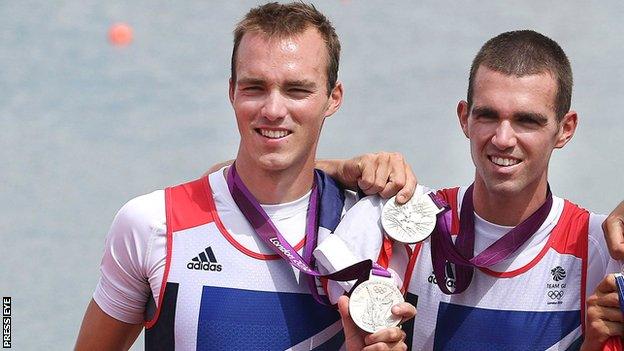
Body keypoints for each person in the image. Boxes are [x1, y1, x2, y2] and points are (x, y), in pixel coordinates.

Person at [75, 2, 416, 350]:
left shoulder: (382, 227)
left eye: (297, 90)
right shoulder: (152, 224)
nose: (273, 110)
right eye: (255, 88)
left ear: (333, 98)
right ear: (232, 91)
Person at [321, 30, 621, 350]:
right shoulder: (399, 221)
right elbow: (271, 194)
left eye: (526, 121)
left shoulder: (600, 247)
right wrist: (335, 168)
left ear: (565, 129)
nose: (503, 138)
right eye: (488, 116)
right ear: (465, 118)